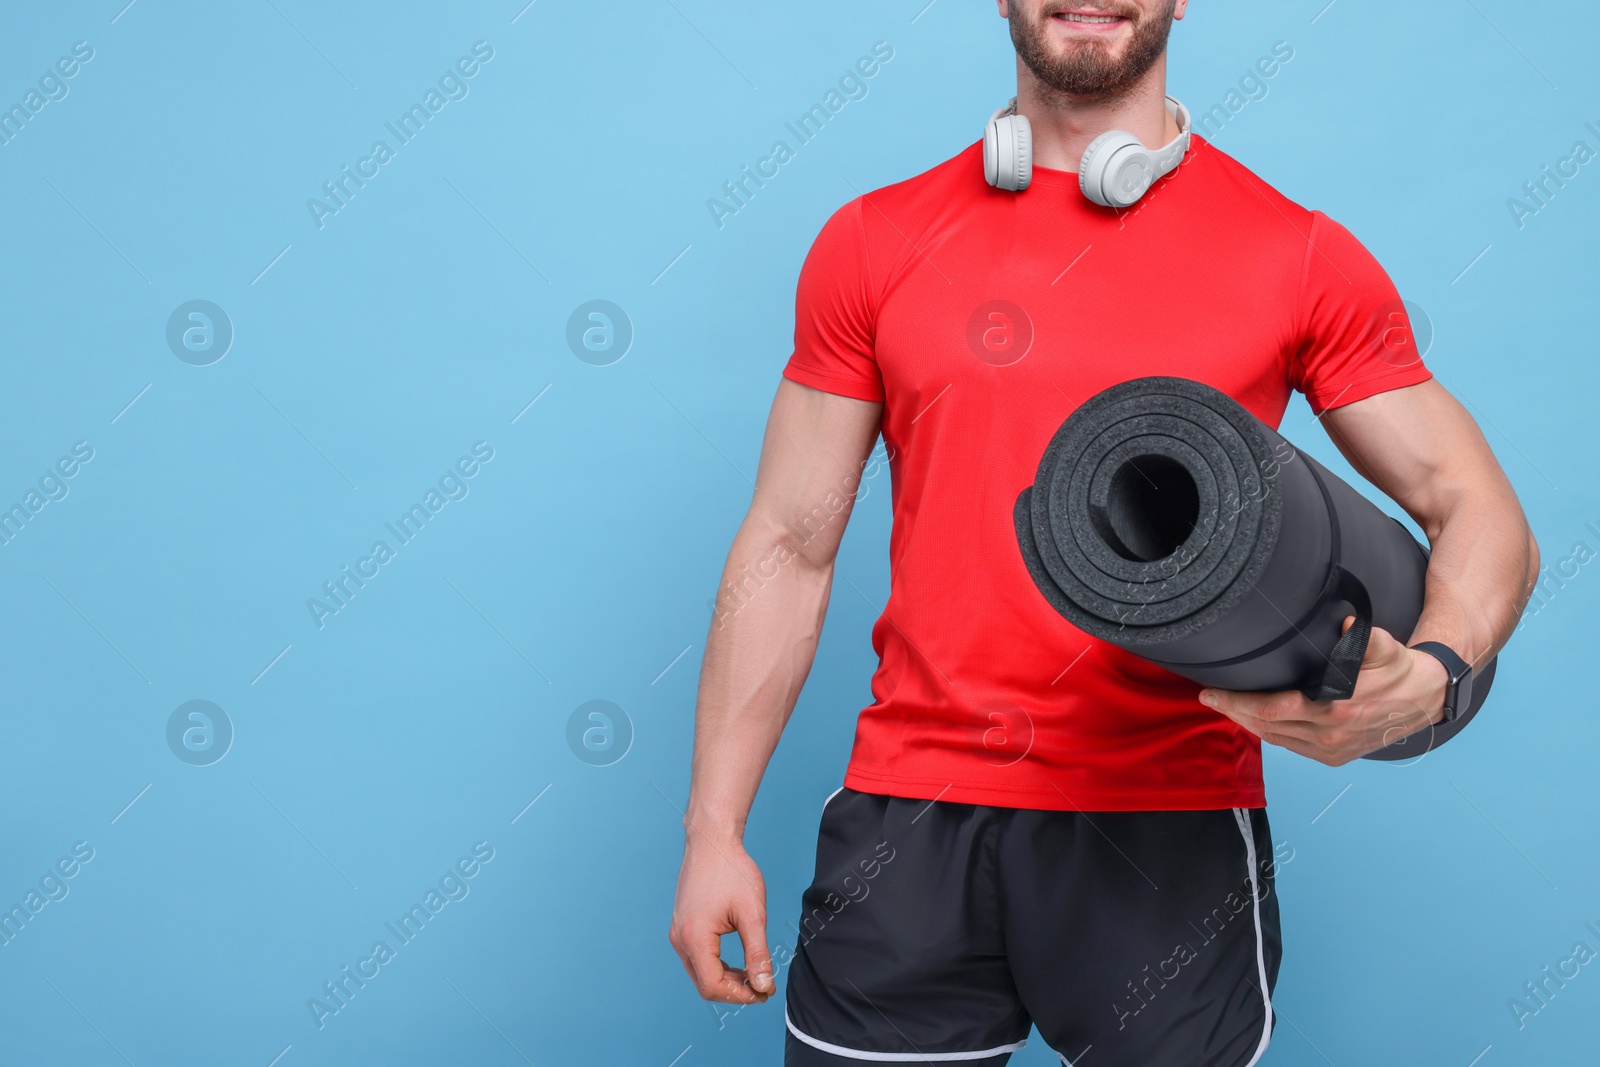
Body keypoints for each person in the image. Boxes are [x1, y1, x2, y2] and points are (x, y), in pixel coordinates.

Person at [668, 2, 1539, 1063]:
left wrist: (1440, 665)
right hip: (908, 816)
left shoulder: (1293, 250)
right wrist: (713, 829)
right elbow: (787, 547)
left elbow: (1476, 505)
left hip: (1166, 825)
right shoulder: (874, 240)